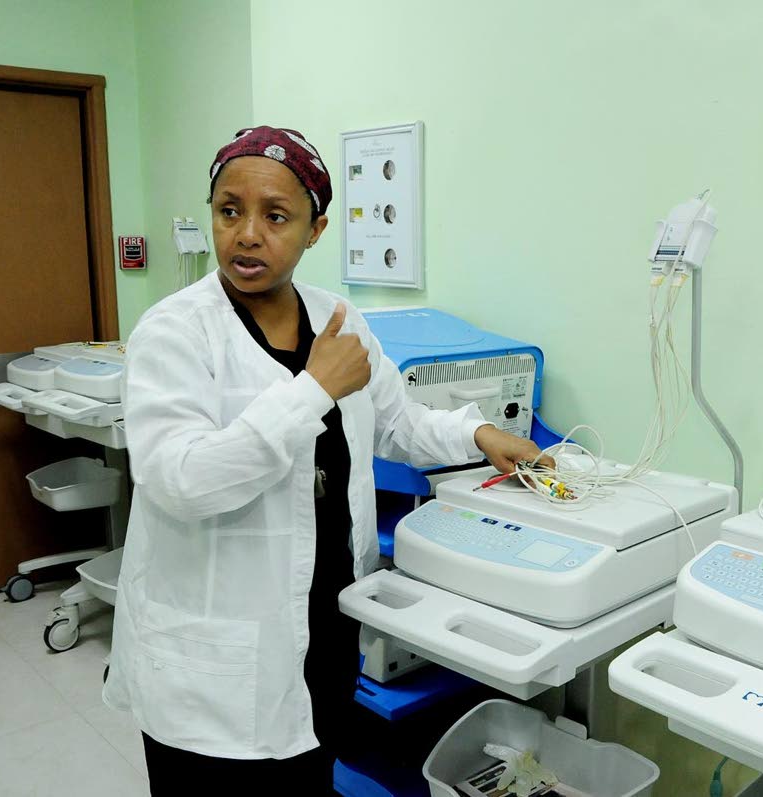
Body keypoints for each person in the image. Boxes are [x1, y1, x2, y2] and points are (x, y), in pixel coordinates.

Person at [102, 126, 549, 794]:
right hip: (213, 666)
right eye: (230, 210)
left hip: (325, 630)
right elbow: (183, 480)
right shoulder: (175, 331)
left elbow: (398, 421)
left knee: (311, 775)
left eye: (275, 215)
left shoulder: (338, 319)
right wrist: (312, 390)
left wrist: (478, 434)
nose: (247, 233)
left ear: (316, 229)